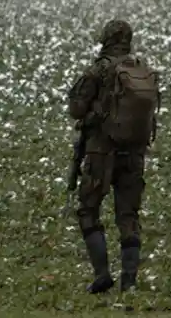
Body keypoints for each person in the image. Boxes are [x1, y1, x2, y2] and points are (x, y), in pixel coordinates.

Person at [67, 19, 161, 293]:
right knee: (128, 215)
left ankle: (102, 275)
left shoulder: (99, 70)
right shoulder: (140, 70)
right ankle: (129, 281)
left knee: (88, 209)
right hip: (134, 153)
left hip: (101, 153)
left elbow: (76, 108)